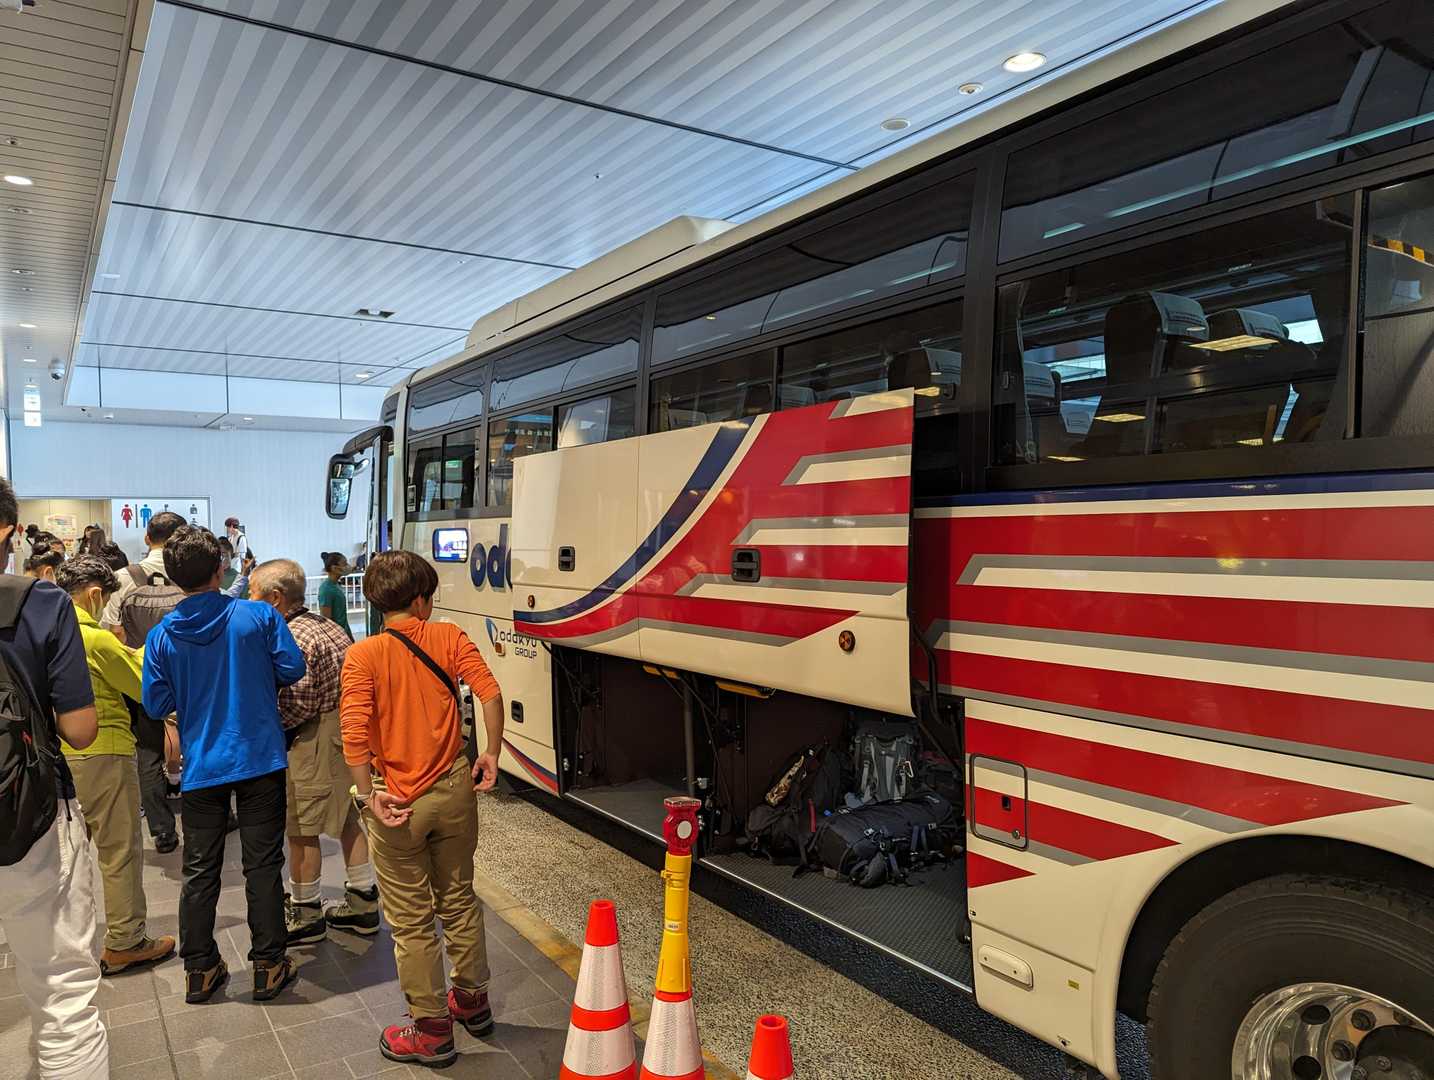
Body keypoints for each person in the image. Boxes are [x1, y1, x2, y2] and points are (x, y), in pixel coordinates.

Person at [341, 550, 504, 1067]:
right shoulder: (449, 637)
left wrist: (368, 796)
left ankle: (432, 1031)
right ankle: (473, 1002)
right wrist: (491, 753)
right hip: (454, 788)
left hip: (396, 800)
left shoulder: (363, 655)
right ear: (419, 600)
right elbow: (489, 692)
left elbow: (353, 736)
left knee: (411, 921)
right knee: (458, 898)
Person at [142, 526, 306, 1004]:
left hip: (201, 765)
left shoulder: (161, 636)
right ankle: (269, 965)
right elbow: (292, 667)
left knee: (199, 869)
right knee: (263, 865)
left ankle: (199, 969)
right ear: (220, 569)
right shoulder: (259, 616)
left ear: (173, 577)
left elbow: (155, 704)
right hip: (259, 757)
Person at [0, 477, 110, 1079]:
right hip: (29, 816)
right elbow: (81, 729)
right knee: (63, 996)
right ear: (10, 533)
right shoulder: (41, 603)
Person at [54, 556, 176, 976]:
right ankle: (125, 941)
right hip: (104, 751)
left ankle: (69, 941)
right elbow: (142, 686)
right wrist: (145, 649)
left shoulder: (45, 633)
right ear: (93, 594)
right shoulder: (94, 639)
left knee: (68, 855)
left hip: (58, 755)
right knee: (118, 849)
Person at [248, 559, 378, 944]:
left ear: (275, 598)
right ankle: (363, 904)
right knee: (348, 819)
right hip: (343, 735)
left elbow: (297, 704)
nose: (248, 601)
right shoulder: (327, 626)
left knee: (302, 829)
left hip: (312, 740)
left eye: (253, 594)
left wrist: (261, 725)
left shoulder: (294, 636)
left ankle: (305, 914)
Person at [103, 510, 187, 853]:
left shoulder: (124, 577)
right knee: (198, 744)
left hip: (144, 678)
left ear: (147, 538)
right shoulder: (189, 571)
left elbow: (114, 631)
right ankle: (212, 818)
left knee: (149, 753)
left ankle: (163, 831)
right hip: (190, 676)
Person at [317, 551, 354, 642]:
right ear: (334, 568)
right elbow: (326, 620)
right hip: (337, 637)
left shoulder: (336, 584)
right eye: (344, 564)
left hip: (344, 632)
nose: (348, 566)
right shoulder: (326, 590)